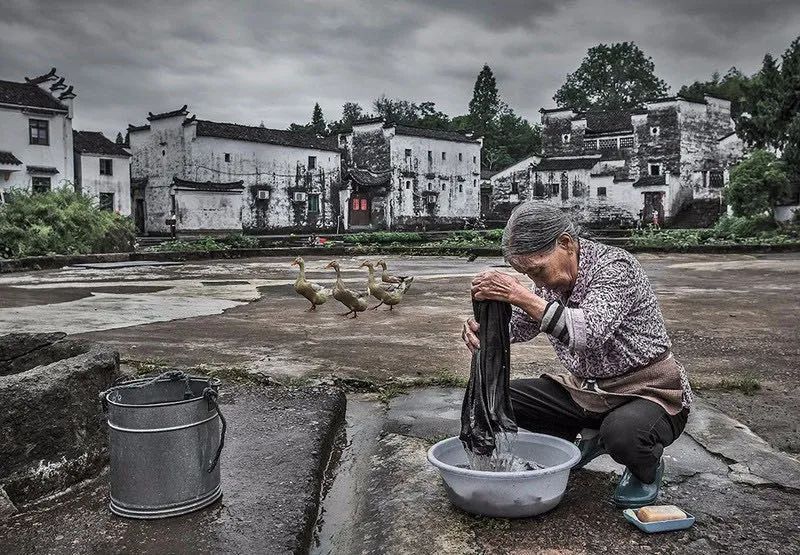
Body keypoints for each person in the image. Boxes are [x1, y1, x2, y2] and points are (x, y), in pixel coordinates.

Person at [462, 202, 691, 508]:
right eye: (528, 274)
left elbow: (590, 333)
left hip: (648, 392)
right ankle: (583, 438)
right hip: (587, 391)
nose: (538, 281)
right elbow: (523, 326)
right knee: (504, 399)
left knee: (623, 435)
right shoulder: (547, 283)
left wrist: (520, 294)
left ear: (566, 243)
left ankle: (644, 470)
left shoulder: (614, 267)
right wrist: (486, 329)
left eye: (538, 270)